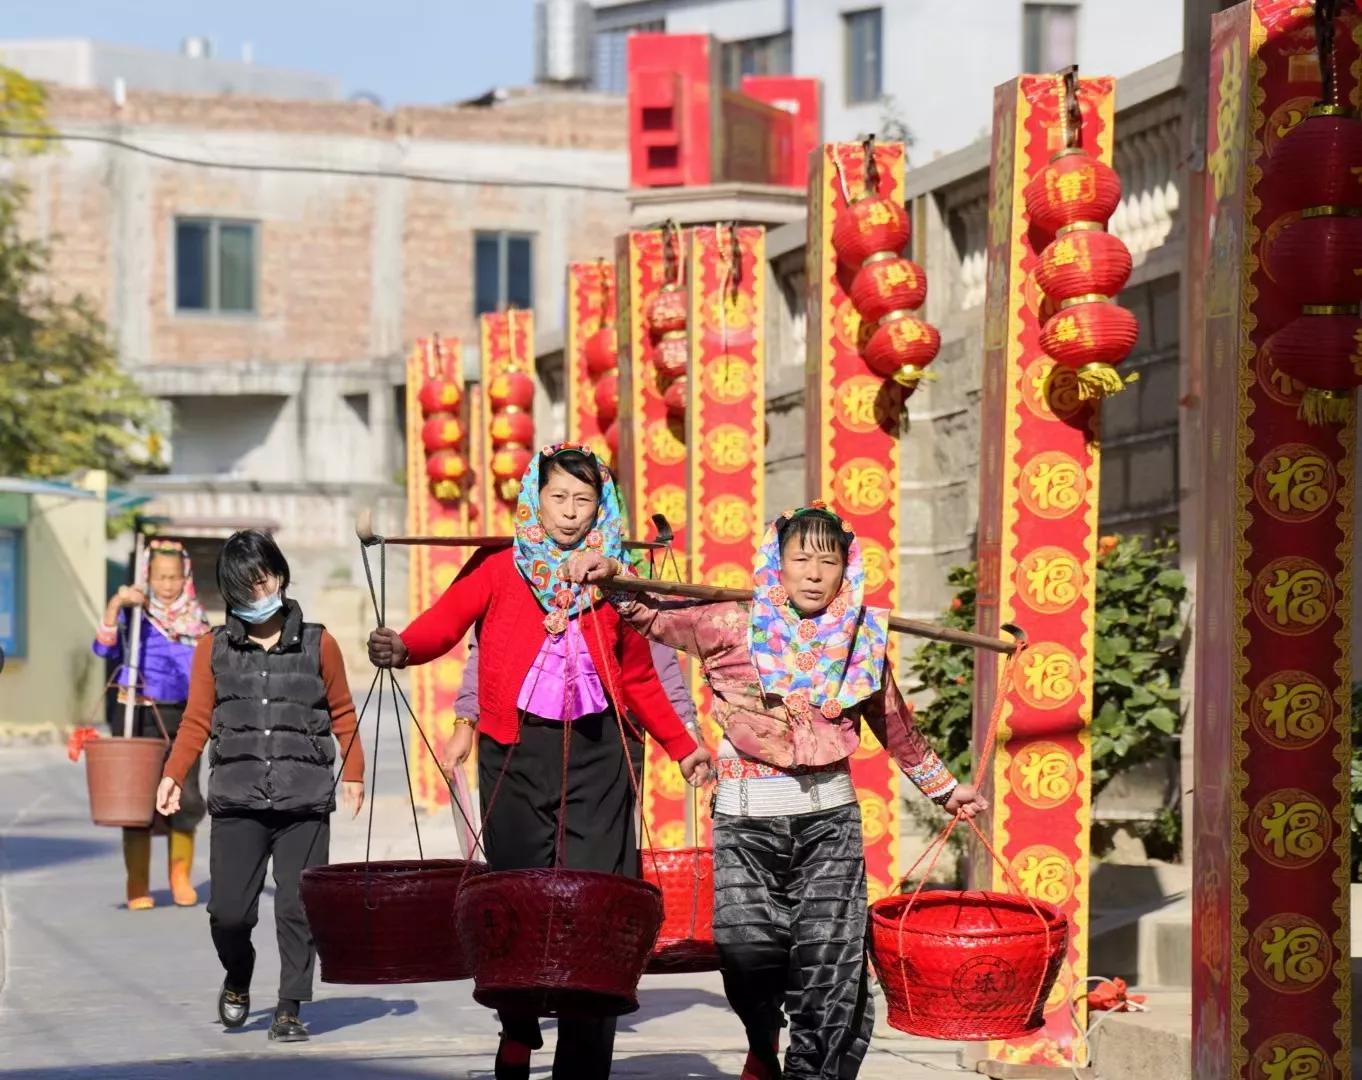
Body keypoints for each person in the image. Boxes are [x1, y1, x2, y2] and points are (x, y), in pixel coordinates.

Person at [569, 502, 988, 1080]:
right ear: (777, 561)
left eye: (829, 560)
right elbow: (649, 614)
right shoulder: (728, 621)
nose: (815, 573)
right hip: (745, 824)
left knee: (828, 967)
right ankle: (762, 1039)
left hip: (829, 826)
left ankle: (811, 1071)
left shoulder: (860, 637)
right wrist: (607, 574)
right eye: (801, 559)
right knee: (747, 959)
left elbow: (893, 724)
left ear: (847, 567)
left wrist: (945, 790)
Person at [368, 444, 712, 1080]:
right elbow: (442, 625)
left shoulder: (615, 578)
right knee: (519, 898)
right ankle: (518, 1028)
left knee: (598, 905)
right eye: (558, 497)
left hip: (602, 751)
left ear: (600, 506)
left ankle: (584, 1062)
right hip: (515, 749)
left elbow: (638, 675)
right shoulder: (500, 566)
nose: (570, 513)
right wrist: (400, 646)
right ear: (535, 496)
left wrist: (684, 746)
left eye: (584, 501)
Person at [154, 531, 366, 1044]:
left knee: (297, 907)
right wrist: (172, 774)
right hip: (237, 798)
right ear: (228, 593)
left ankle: (290, 1007)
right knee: (228, 913)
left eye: (263, 579)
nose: (256, 593)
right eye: (243, 587)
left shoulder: (321, 642)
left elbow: (342, 711)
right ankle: (237, 976)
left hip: (305, 800)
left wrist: (354, 772)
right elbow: (196, 720)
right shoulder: (215, 647)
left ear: (280, 574)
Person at [93, 539, 210, 910]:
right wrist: (116, 606)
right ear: (147, 576)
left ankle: (180, 878)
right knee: (136, 802)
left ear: (185, 576)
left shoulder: (198, 619)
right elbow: (102, 648)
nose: (167, 584)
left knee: (185, 796)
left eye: (174, 577)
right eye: (160, 577)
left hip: (186, 717)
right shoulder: (135, 613)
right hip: (137, 714)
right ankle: (137, 884)